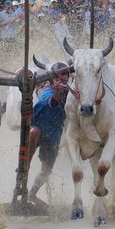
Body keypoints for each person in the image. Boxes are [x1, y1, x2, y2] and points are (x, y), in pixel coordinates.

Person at [27, 64, 70, 209]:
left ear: (68, 78)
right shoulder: (47, 91)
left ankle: (32, 194)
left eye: (64, 76)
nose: (61, 80)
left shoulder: (72, 93)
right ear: (51, 81)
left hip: (54, 132)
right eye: (57, 78)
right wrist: (56, 91)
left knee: (46, 170)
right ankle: (25, 165)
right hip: (38, 124)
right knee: (34, 133)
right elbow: (52, 102)